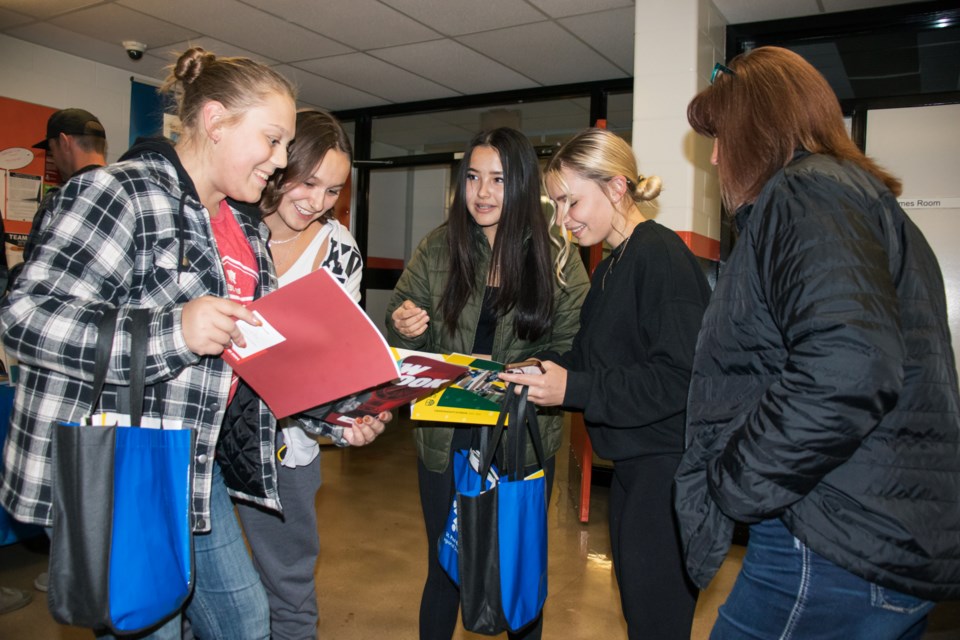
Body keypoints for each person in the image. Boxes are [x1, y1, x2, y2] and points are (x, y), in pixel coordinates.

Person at [0, 47, 382, 640]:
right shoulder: (119, 194)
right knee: (153, 625)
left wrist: (338, 418)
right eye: (273, 140)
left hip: (193, 470)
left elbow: (262, 362)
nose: (280, 162)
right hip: (123, 471)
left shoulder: (246, 231)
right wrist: (171, 332)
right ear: (215, 121)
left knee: (247, 622)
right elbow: (26, 317)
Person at [673, 46, 960, 639]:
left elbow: (850, 365)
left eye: (723, 136)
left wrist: (735, 478)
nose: (719, 155)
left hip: (829, 538)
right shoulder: (864, 203)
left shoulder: (803, 195)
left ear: (757, 126)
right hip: (889, 535)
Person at [499, 128, 709, 639]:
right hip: (637, 469)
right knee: (641, 612)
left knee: (656, 620)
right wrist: (532, 367)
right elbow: (590, 359)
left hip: (669, 471)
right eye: (557, 204)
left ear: (617, 188)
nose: (565, 218)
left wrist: (574, 390)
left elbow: (681, 380)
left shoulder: (659, 256)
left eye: (572, 200)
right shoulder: (615, 263)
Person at [385, 127, 589, 640]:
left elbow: (573, 341)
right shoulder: (439, 246)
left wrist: (519, 373)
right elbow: (399, 310)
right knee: (445, 566)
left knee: (517, 572)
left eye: (498, 179)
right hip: (446, 434)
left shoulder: (557, 253)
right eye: (473, 177)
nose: (482, 192)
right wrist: (404, 320)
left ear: (521, 184)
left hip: (521, 436)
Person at [233, 109, 379, 640]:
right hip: (206, 439)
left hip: (286, 447)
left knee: (288, 588)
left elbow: (335, 365)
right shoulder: (228, 225)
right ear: (278, 166)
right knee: (200, 582)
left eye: (333, 190)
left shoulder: (339, 250)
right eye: (310, 181)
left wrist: (349, 418)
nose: (317, 202)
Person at [9, 108, 109, 291]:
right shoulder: (126, 195)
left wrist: (13, 274)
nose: (53, 159)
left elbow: (34, 269)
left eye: (52, 150)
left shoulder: (59, 199)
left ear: (64, 142)